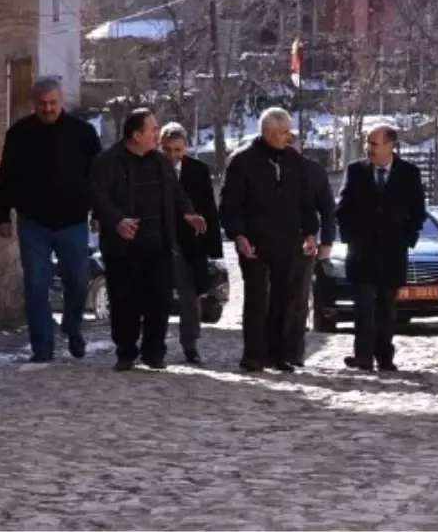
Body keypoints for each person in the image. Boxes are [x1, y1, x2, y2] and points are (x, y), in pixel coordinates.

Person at [0, 77, 102, 364]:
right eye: (42, 104)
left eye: (53, 103)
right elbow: (6, 176)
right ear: (34, 104)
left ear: (61, 101)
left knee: (78, 281)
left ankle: (72, 324)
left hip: (73, 220)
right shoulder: (19, 134)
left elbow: (99, 177)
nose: (48, 108)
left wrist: (99, 213)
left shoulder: (83, 133)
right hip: (33, 221)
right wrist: (1, 214)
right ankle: (42, 346)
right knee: (35, 286)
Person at [89, 109, 205, 371]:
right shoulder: (108, 162)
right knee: (124, 301)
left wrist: (187, 212)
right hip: (123, 246)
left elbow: (176, 192)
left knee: (158, 301)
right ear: (136, 135)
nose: (156, 134)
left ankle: (154, 353)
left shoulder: (160, 162)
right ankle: (126, 352)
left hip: (159, 243)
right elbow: (97, 197)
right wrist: (117, 220)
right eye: (152, 130)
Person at [219, 107, 319, 373]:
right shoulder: (242, 161)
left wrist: (310, 232)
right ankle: (254, 354)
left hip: (286, 241)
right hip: (254, 242)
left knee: (282, 299)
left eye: (288, 132)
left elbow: (305, 201)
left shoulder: (294, 162)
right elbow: (230, 205)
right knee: (256, 298)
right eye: (282, 132)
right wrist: (238, 235)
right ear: (267, 133)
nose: (287, 137)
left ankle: (278, 354)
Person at [335, 124, 426, 372]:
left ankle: (384, 356)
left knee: (386, 306)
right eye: (368, 143)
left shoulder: (408, 173)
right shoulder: (356, 171)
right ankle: (363, 356)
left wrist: (407, 238)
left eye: (374, 144)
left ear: (390, 145)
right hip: (362, 252)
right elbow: (342, 208)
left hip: (392, 252)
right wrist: (349, 237)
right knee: (363, 304)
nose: (369, 149)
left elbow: (418, 211)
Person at [159, 122, 222, 365]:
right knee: (157, 295)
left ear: (185, 148)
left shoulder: (198, 171)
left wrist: (212, 249)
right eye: (167, 149)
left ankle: (190, 344)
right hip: (159, 240)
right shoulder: (151, 168)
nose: (172, 155)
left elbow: (208, 207)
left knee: (190, 295)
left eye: (177, 150)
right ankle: (155, 343)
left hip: (189, 242)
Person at [285, 143, 336, 368]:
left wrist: (326, 241)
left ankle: (294, 351)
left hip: (302, 243)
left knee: (298, 300)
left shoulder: (313, 171)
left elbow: (327, 208)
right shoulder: (262, 168)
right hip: (267, 243)